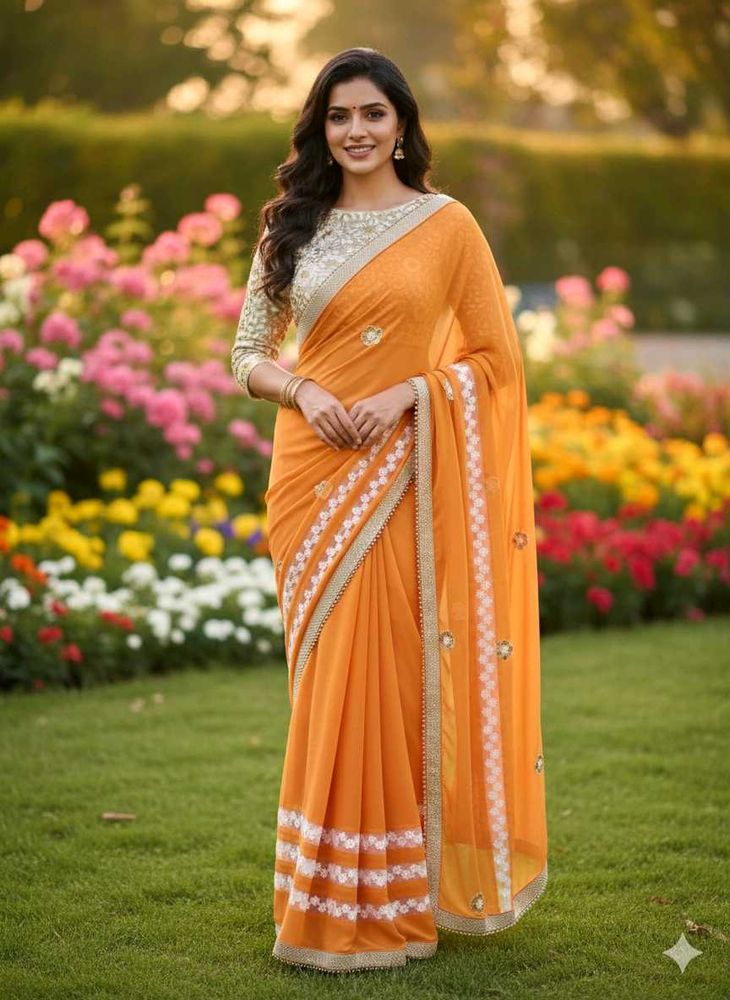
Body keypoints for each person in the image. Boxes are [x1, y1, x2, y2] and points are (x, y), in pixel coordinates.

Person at [230, 46, 548, 974]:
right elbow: (248, 352)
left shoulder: (447, 226)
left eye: (373, 113)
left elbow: (493, 360)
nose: (357, 130)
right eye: (339, 116)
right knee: (327, 677)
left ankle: (385, 899)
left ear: (402, 123)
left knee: (385, 673)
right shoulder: (290, 225)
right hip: (309, 475)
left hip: (396, 471)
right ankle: (324, 897)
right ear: (319, 128)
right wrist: (302, 391)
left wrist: (410, 393)